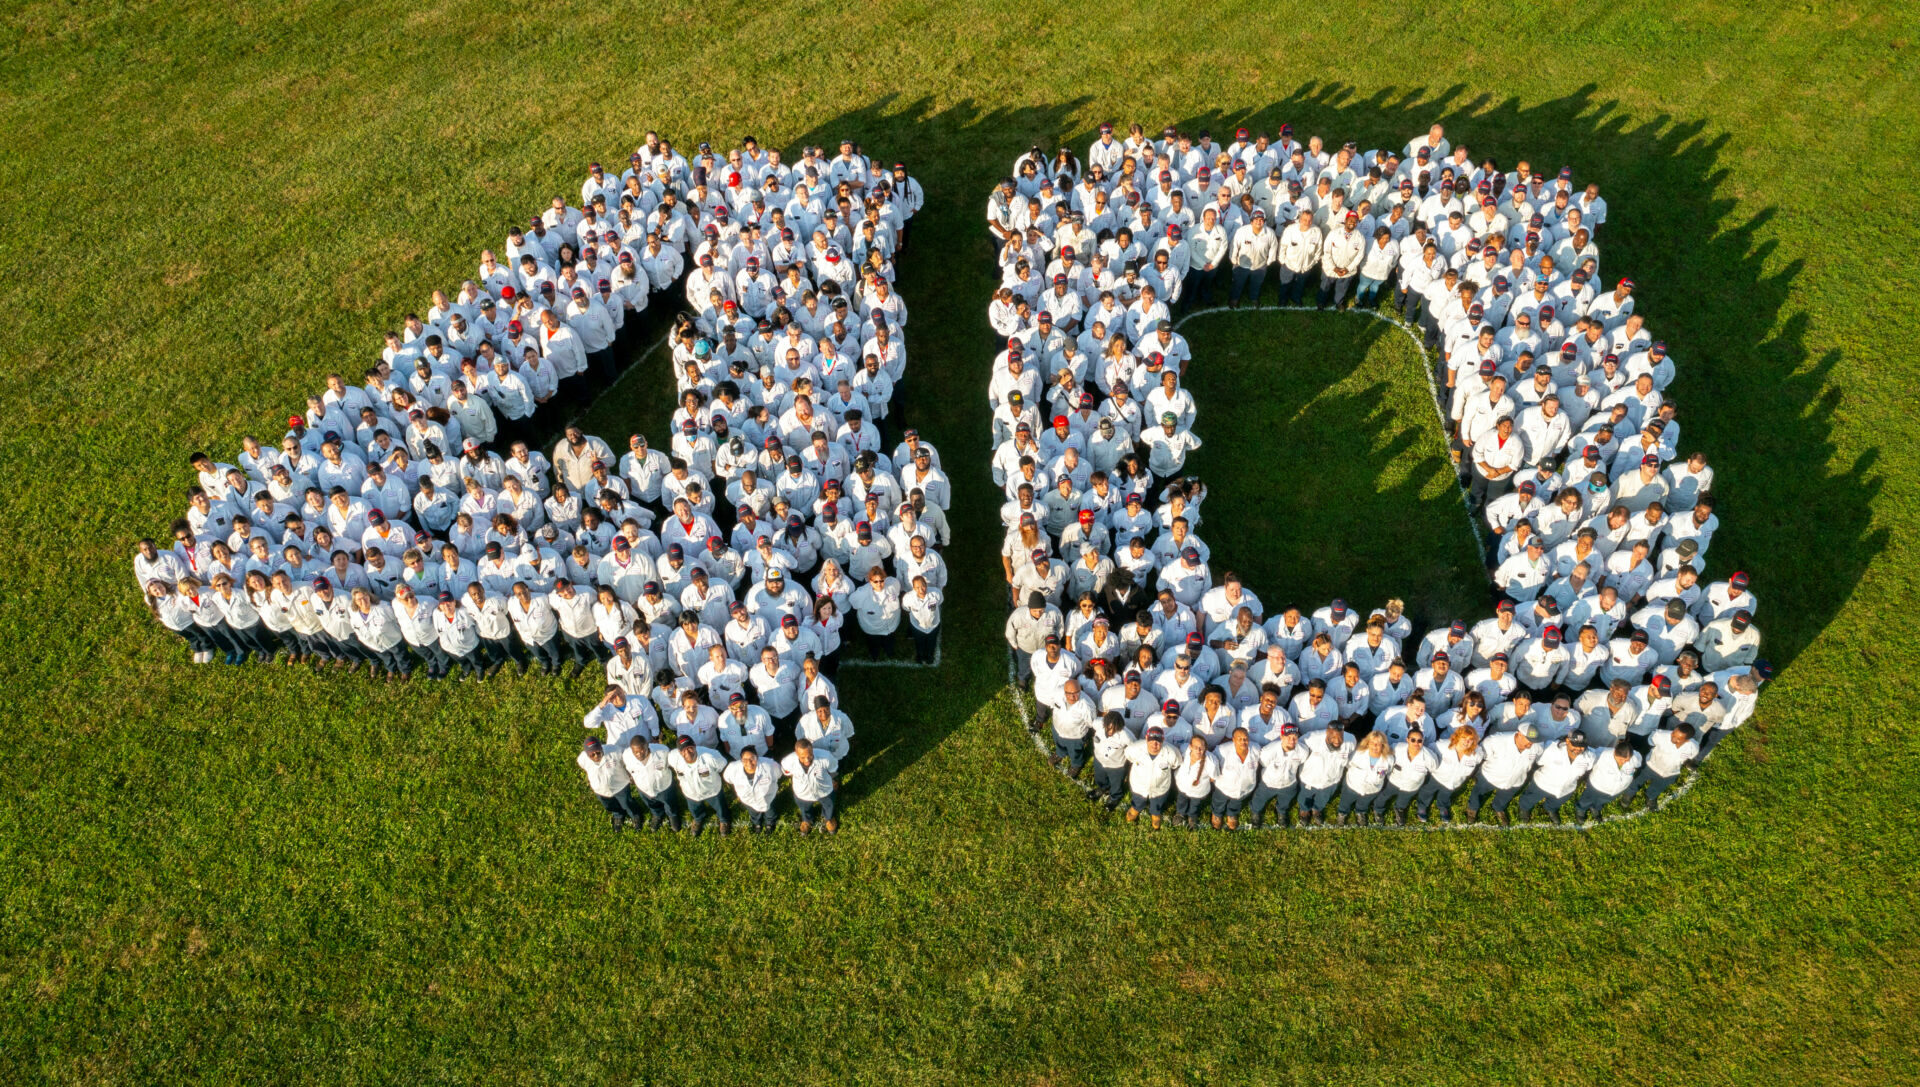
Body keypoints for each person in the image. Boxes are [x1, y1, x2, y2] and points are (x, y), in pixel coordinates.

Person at [669, 735, 730, 836]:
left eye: (690, 748)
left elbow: (721, 766)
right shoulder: (673, 758)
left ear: (695, 746)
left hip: (712, 790)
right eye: (683, 750)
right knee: (695, 809)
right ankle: (698, 818)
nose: (687, 752)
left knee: (720, 807)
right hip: (690, 792)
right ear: (679, 752)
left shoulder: (711, 757)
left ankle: (724, 820)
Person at [1124, 726, 1181, 828]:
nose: (1154, 744)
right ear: (1146, 738)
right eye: (1151, 740)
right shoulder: (1135, 748)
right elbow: (1128, 756)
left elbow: (1176, 764)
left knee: (1157, 804)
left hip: (1160, 789)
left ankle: (1156, 814)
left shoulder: (1172, 752)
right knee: (1137, 800)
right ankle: (1136, 808)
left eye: (1158, 741)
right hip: (1139, 787)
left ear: (1163, 740)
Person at [577, 737, 638, 831]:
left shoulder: (615, 751)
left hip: (620, 785)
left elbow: (626, 760)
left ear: (601, 748)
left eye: (598, 752)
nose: (596, 756)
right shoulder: (582, 759)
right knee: (609, 805)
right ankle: (618, 815)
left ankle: (635, 816)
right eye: (592, 755)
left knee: (627, 803)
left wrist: (631, 774)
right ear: (587, 754)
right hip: (600, 790)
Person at [781, 737, 839, 834]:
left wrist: (834, 780)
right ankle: (807, 820)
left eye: (810, 755)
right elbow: (787, 772)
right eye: (802, 757)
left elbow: (833, 769)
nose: (807, 760)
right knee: (804, 807)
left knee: (829, 804)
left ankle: (828, 818)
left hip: (824, 789)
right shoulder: (788, 762)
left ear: (812, 749)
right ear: (796, 753)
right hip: (802, 793)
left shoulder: (826, 757)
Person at [723, 747, 781, 834]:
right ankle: (757, 823)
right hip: (748, 800)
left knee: (770, 811)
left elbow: (778, 774)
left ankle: (770, 823)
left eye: (752, 758)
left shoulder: (769, 765)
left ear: (757, 757)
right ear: (741, 760)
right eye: (745, 759)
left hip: (768, 797)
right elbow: (728, 779)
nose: (749, 762)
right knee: (753, 812)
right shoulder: (733, 768)